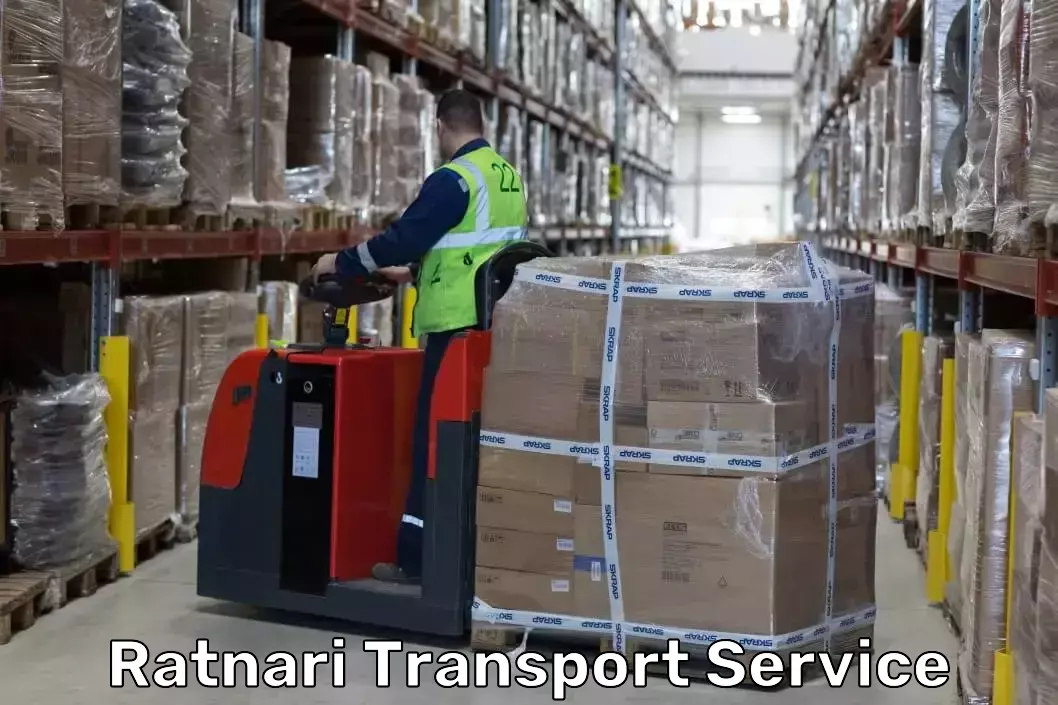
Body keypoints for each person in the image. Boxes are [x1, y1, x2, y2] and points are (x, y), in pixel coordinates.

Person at [310, 89, 528, 585]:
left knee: (430, 441)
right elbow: (475, 247)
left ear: (440, 127)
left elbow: (404, 236)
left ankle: (416, 559)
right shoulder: (508, 177)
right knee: (469, 442)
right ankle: (467, 551)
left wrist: (340, 262)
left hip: (453, 327)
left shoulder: (455, 178)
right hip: (491, 327)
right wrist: (411, 271)